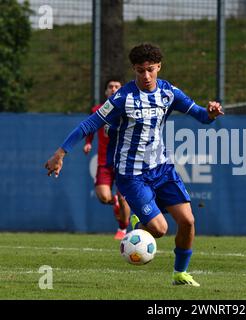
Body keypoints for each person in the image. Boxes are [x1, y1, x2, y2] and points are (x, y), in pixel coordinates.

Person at [45, 42, 224, 286]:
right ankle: (138, 223)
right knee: (160, 230)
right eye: (140, 70)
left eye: (151, 69)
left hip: (162, 169)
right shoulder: (123, 98)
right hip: (132, 174)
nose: (146, 75)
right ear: (134, 70)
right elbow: (89, 124)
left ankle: (179, 273)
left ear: (159, 66)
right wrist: (60, 153)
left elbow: (202, 116)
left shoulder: (169, 93)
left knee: (188, 221)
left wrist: (211, 113)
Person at [83, 79, 131, 240]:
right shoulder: (97, 110)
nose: (113, 89)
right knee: (104, 197)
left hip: (123, 161)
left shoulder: (127, 109)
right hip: (104, 162)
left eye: (117, 87)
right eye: (110, 87)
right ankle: (115, 201)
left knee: (125, 198)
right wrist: (88, 143)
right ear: (105, 92)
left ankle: (123, 229)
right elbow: (90, 128)